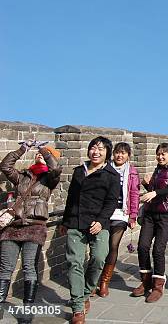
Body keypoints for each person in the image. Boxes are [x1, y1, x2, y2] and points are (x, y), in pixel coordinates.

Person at [60, 136, 120, 324]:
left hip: (98, 224)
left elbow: (112, 202)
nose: (96, 152)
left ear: (107, 153)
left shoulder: (111, 175)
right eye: (93, 148)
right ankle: (78, 307)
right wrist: (65, 221)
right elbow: (71, 198)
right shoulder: (79, 171)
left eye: (101, 149)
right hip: (76, 223)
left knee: (99, 258)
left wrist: (101, 221)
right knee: (74, 263)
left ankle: (86, 292)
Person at [0, 141, 61, 306]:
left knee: (29, 267)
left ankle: (28, 307)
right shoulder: (22, 176)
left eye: (45, 154)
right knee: (5, 267)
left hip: (35, 227)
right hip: (13, 227)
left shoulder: (50, 179)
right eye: (38, 153)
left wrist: (43, 149)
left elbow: (55, 168)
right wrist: (22, 149)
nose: (40, 154)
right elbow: (5, 166)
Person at [132, 143, 168, 303]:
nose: (161, 157)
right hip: (150, 214)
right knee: (142, 246)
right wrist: (148, 185)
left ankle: (158, 285)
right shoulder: (158, 170)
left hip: (166, 215)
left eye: (164, 154)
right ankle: (146, 281)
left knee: (158, 249)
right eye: (158, 154)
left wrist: (154, 191)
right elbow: (154, 191)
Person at [96, 142, 140, 298]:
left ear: (128, 155)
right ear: (112, 154)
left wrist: (133, 215)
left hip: (121, 213)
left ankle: (104, 282)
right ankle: (94, 279)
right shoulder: (104, 168)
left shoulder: (132, 172)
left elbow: (134, 194)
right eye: (117, 152)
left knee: (113, 246)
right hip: (103, 213)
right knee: (101, 248)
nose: (119, 156)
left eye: (123, 153)